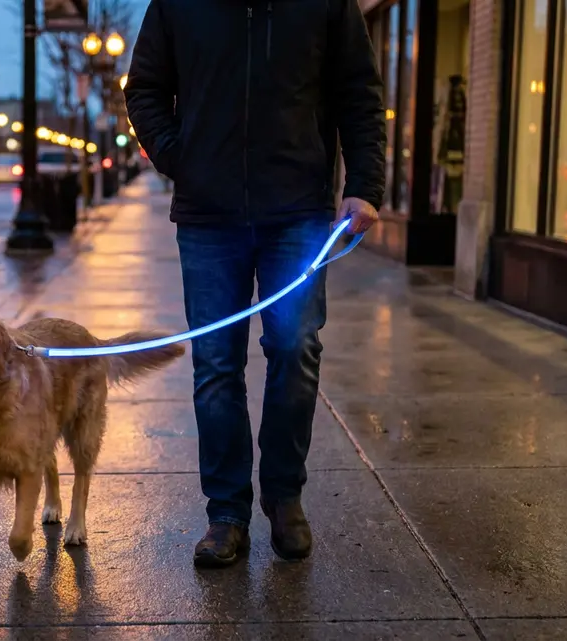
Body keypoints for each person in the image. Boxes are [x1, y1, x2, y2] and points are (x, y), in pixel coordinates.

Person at [124, 0, 385, 568]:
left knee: (295, 349)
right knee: (216, 363)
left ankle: (285, 497)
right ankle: (226, 514)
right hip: (207, 217)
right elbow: (143, 88)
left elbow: (358, 95)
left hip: (298, 212)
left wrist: (365, 183)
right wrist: (179, 156)